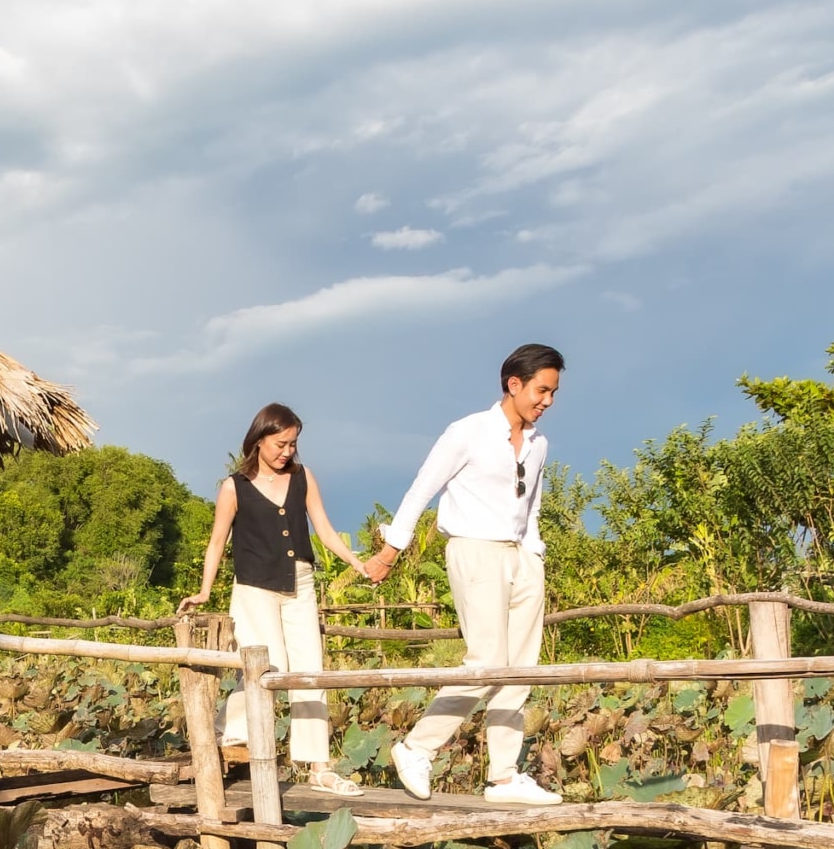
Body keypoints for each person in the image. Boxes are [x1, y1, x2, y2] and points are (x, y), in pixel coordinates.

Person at [357, 343, 565, 806]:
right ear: (514, 384)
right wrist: (391, 551)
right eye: (542, 390)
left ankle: (505, 778)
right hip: (475, 551)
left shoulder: (539, 444)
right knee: (486, 662)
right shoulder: (467, 432)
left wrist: (534, 553)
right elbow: (420, 492)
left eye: (553, 393)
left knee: (520, 669)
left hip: (523, 556)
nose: (547, 401)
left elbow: (529, 506)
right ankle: (416, 748)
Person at [181, 403, 366, 795]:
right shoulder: (234, 487)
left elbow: (326, 532)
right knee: (265, 667)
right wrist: (204, 590)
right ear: (259, 440)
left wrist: (357, 562)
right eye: (281, 443)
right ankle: (226, 731)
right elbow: (217, 542)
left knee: (309, 670)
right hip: (253, 587)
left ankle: (319, 767)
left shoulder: (303, 477)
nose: (287, 452)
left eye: (293, 445)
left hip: (300, 582)